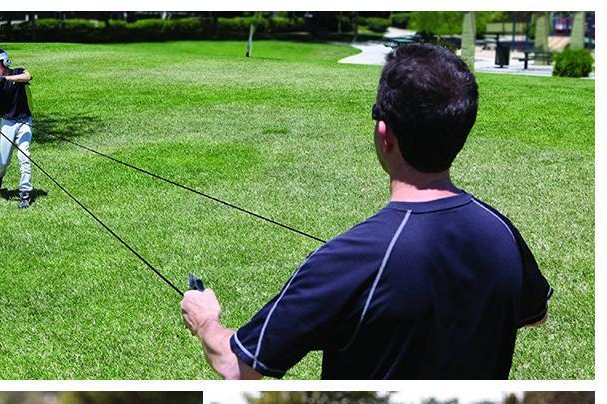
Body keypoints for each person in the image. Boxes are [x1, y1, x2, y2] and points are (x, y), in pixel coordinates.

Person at [181, 44, 551, 379]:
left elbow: (236, 366)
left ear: (385, 134)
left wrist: (206, 320)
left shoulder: (349, 259)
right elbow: (536, 315)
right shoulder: (503, 233)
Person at [0, 48, 34, 209]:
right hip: (7, 123)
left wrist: (6, 78)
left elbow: (28, 76)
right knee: (4, 160)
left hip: (24, 121)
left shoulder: (18, 72)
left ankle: (25, 193)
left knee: (24, 156)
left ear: (5, 62)